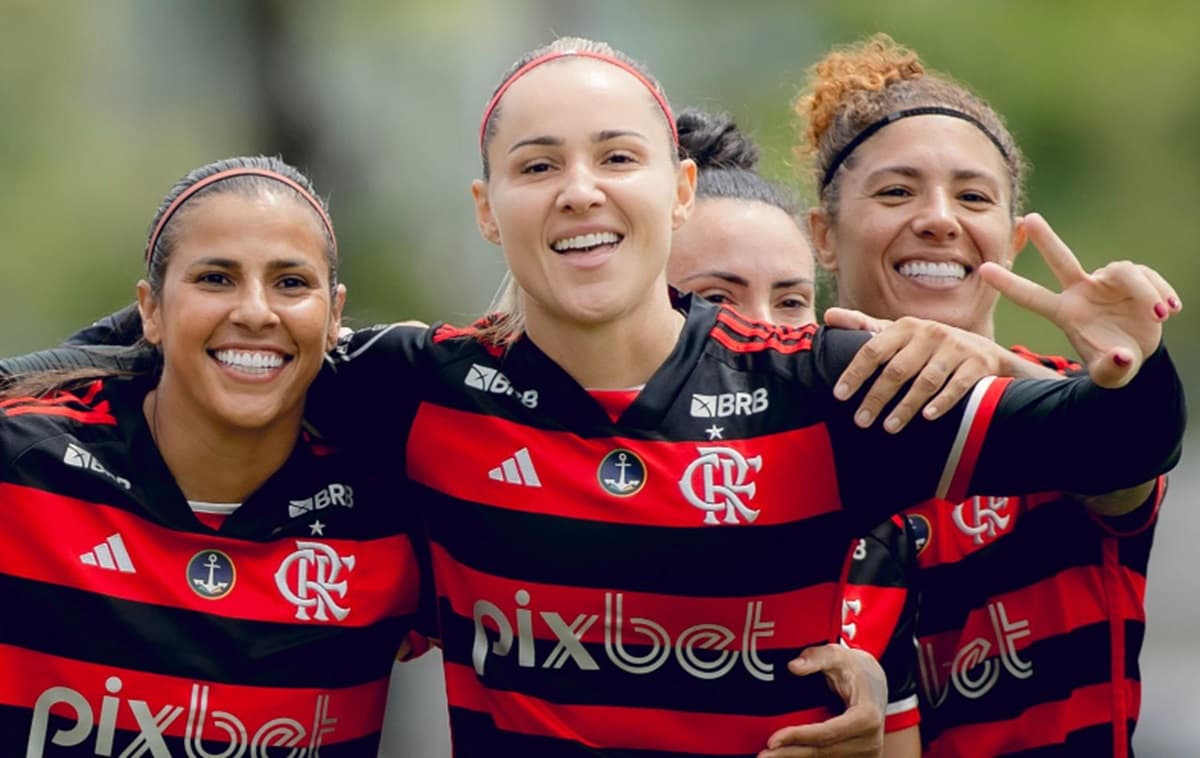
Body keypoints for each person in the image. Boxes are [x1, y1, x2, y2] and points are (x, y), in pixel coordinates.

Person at [1, 37, 1186, 758]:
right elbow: (246, 336)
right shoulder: (419, 385)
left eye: (615, 157)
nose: (579, 192)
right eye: (536, 166)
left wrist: (1122, 357)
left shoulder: (822, 385)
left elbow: (1120, 436)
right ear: (486, 210)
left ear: (674, 189)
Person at [792, 33, 1181, 756]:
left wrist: (1010, 366)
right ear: (823, 235)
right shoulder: (773, 428)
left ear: (1008, 238)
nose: (940, 218)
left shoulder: (1064, 408)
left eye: (973, 196)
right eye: (896, 191)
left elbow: (1127, 465)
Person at [0, 156, 422, 756]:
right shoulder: (23, 466)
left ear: (334, 317)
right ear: (149, 309)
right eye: (215, 279)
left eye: (292, 283)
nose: (254, 311)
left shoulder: (395, 506)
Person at [670, 106, 920, 758]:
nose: (765, 332)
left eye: (789, 301)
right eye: (716, 300)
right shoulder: (524, 455)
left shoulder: (874, 535)